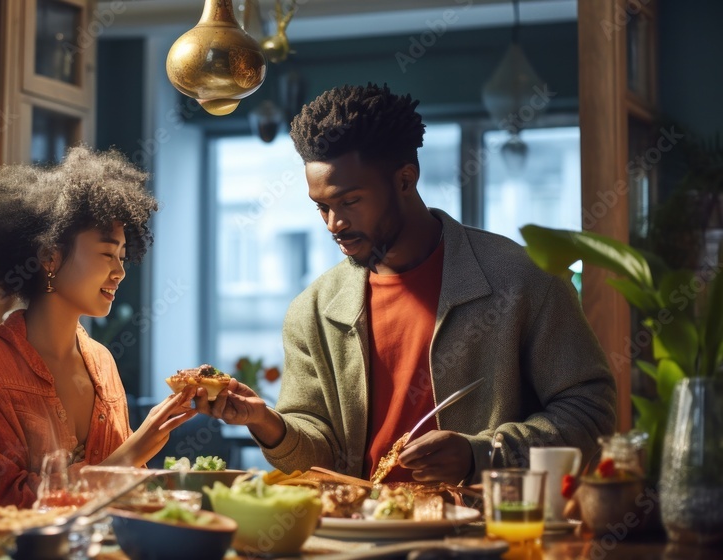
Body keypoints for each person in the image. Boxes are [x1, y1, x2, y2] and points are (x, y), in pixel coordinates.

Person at [194, 83, 617, 485]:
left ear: (405, 179)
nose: (334, 224)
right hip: (356, 537)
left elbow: (590, 411)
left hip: (483, 537)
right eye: (321, 207)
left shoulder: (523, 279)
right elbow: (317, 457)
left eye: (350, 202)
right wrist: (265, 422)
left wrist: (481, 455)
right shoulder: (314, 309)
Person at [0, 147, 197, 509]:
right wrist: (132, 453)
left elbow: (127, 500)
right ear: (50, 256)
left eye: (123, 257)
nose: (120, 271)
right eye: (107, 254)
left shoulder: (103, 363)